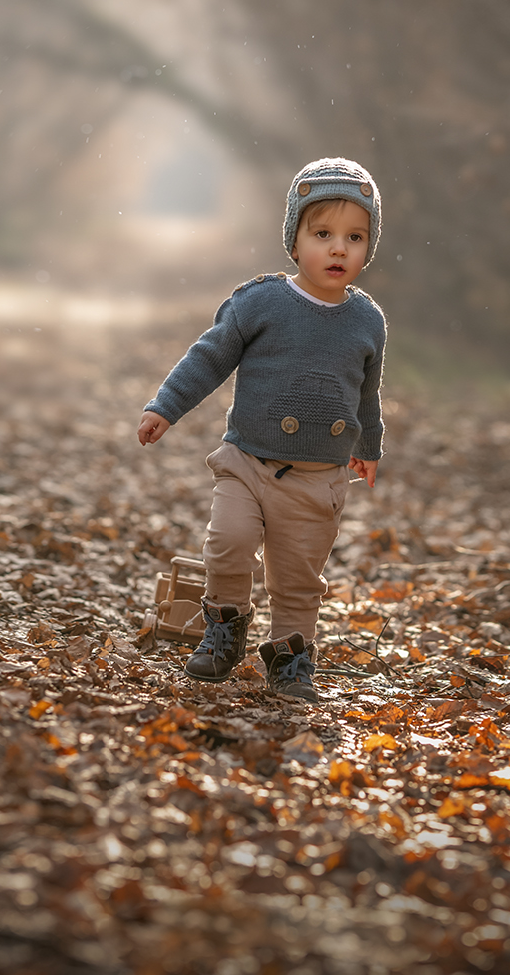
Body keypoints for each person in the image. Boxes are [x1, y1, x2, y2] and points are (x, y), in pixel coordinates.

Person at [136, 157, 388, 703]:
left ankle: (291, 657)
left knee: (298, 579)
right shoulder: (262, 302)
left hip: (318, 479)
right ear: (294, 241)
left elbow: (366, 392)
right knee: (228, 542)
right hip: (247, 462)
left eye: (355, 236)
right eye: (322, 234)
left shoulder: (367, 320)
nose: (339, 249)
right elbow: (209, 358)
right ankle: (225, 628)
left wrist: (368, 445)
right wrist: (166, 407)